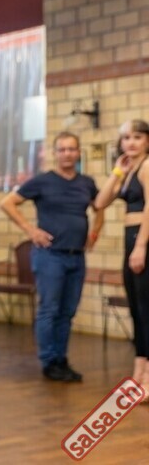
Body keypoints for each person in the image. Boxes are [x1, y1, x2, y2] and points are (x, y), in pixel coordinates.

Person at [1, 131, 103, 384]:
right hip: (50, 256)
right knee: (49, 310)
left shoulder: (86, 183)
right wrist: (31, 231)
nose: (67, 154)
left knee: (67, 312)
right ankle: (49, 361)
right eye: (62, 149)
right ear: (54, 153)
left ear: (78, 153)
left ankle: (61, 359)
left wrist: (94, 234)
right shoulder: (42, 181)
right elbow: (8, 203)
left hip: (76, 257)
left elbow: (100, 207)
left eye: (72, 149)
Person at [94, 120, 149, 396]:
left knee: (146, 308)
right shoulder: (128, 171)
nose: (131, 142)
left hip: (143, 239)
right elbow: (100, 202)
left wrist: (141, 245)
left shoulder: (148, 166)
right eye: (126, 137)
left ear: (147, 140)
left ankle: (148, 377)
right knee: (136, 308)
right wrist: (117, 171)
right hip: (130, 238)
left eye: (137, 137)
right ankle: (139, 371)